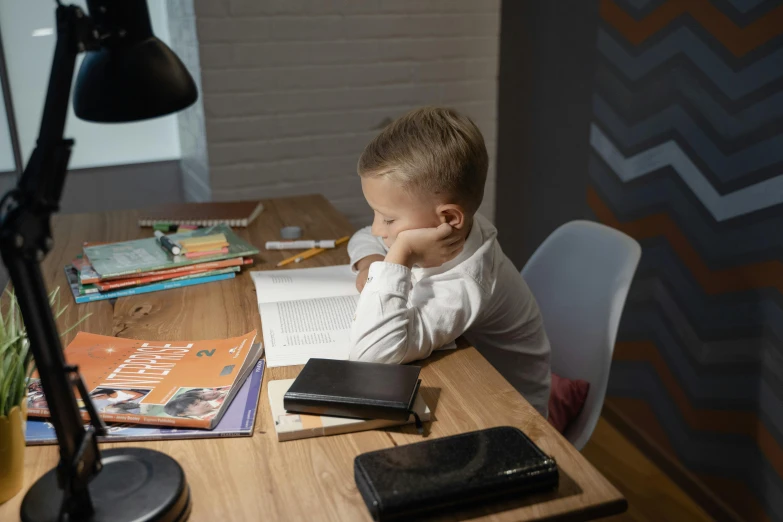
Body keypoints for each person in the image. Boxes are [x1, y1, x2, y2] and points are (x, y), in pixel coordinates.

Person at [347, 106, 551, 417]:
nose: (377, 228)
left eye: (388, 219)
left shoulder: (468, 281)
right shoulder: (455, 228)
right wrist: (371, 262)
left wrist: (399, 255)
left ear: (448, 218)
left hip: (513, 414)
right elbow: (364, 236)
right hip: (471, 382)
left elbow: (373, 357)